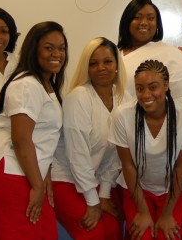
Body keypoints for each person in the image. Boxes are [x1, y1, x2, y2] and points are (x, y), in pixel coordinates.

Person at [0, 21, 68, 240]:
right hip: (8, 169)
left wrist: (44, 176)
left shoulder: (46, 83)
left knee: (46, 232)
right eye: (49, 48)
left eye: (61, 48)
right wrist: (37, 185)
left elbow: (42, 137)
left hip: (27, 169)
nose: (57, 54)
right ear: (33, 49)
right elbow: (21, 139)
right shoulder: (27, 84)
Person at [109, 59, 182, 240]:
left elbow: (181, 168)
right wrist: (143, 212)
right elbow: (128, 166)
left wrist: (167, 214)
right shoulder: (123, 115)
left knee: (167, 236)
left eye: (153, 87)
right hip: (137, 187)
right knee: (141, 235)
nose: (146, 94)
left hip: (175, 188)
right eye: (140, 88)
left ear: (166, 85)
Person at [52, 37, 131, 239]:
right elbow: (77, 155)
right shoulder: (78, 97)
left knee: (113, 230)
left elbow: (118, 153)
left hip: (98, 179)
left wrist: (103, 194)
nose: (101, 68)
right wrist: (92, 201)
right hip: (66, 178)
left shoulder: (125, 98)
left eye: (107, 61)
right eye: (93, 63)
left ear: (117, 65)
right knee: (93, 234)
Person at [117, 0, 182, 101]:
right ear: (127, 21)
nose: (144, 22)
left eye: (150, 18)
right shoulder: (114, 53)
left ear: (157, 24)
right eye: (137, 17)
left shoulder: (171, 54)